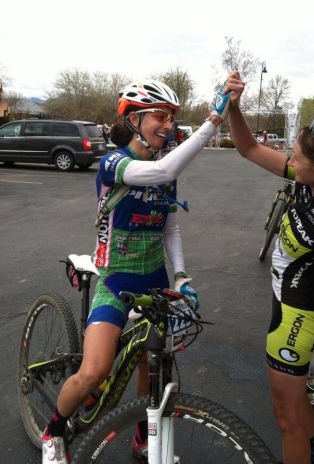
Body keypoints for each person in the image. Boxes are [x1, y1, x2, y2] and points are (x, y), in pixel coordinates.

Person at [41, 79, 230, 464]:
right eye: (160, 116)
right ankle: (55, 428)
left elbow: (170, 228)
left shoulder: (166, 170)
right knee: (94, 371)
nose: (168, 125)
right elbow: (160, 171)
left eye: (172, 118)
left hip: (155, 279)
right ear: (134, 119)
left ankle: (144, 436)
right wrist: (212, 124)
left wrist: (181, 277)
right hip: (115, 280)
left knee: (154, 363)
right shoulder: (114, 163)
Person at [225, 71, 314, 464]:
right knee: (297, 414)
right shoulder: (306, 180)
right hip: (286, 305)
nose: (291, 159)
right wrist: (235, 107)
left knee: (286, 419)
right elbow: (249, 149)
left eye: (298, 156)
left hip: (298, 320)